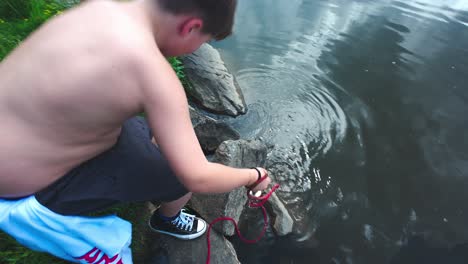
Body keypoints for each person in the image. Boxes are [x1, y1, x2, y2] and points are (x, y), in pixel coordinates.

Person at [0, 0, 271, 263]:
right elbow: (197, 177)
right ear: (191, 26)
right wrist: (254, 175)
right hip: (19, 187)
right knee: (178, 181)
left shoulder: (98, 7)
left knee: (155, 130)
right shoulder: (153, 74)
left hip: (20, 134)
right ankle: (167, 220)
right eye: (203, 40)